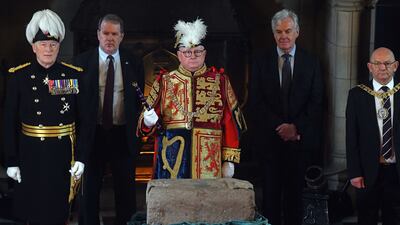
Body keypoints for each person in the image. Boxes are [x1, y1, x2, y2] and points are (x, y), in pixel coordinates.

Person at [3, 9, 89, 225]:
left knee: (60, 212)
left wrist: (81, 156)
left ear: (59, 46)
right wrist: (11, 160)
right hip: (30, 153)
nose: (48, 49)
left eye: (53, 44)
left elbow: (85, 120)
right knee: (31, 211)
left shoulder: (73, 75)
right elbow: (8, 122)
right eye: (43, 44)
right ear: (34, 47)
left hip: (62, 155)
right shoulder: (18, 76)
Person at [138, 18, 246, 179]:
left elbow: (231, 123)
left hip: (209, 159)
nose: (193, 56)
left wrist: (229, 160)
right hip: (172, 159)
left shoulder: (221, 80)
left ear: (205, 54)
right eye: (187, 52)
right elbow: (144, 125)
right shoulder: (164, 81)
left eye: (197, 52)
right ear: (179, 55)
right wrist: (147, 121)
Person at [249, 9, 324, 225]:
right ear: (273, 34)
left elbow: (317, 101)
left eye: (288, 31)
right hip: (270, 144)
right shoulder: (260, 61)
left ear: (297, 32)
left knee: (295, 202)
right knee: (270, 200)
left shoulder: (312, 62)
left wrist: (295, 128)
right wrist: (281, 127)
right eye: (279, 31)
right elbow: (256, 101)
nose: (284, 36)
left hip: (300, 145)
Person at [73, 14, 144, 225]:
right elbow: (75, 103)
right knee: (89, 193)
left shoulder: (134, 62)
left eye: (114, 34)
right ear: (98, 35)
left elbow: (137, 100)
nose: (109, 38)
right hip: (92, 135)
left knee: (126, 193)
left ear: (122, 36)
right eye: (105, 33)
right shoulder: (81, 62)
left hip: (122, 134)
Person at [346, 47, 400, 225]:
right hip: (367, 172)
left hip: (396, 171)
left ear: (396, 66)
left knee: (394, 218)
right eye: (377, 63)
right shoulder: (357, 95)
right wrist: (354, 172)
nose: (382, 67)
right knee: (366, 218)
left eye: (387, 63)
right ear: (370, 67)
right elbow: (351, 137)